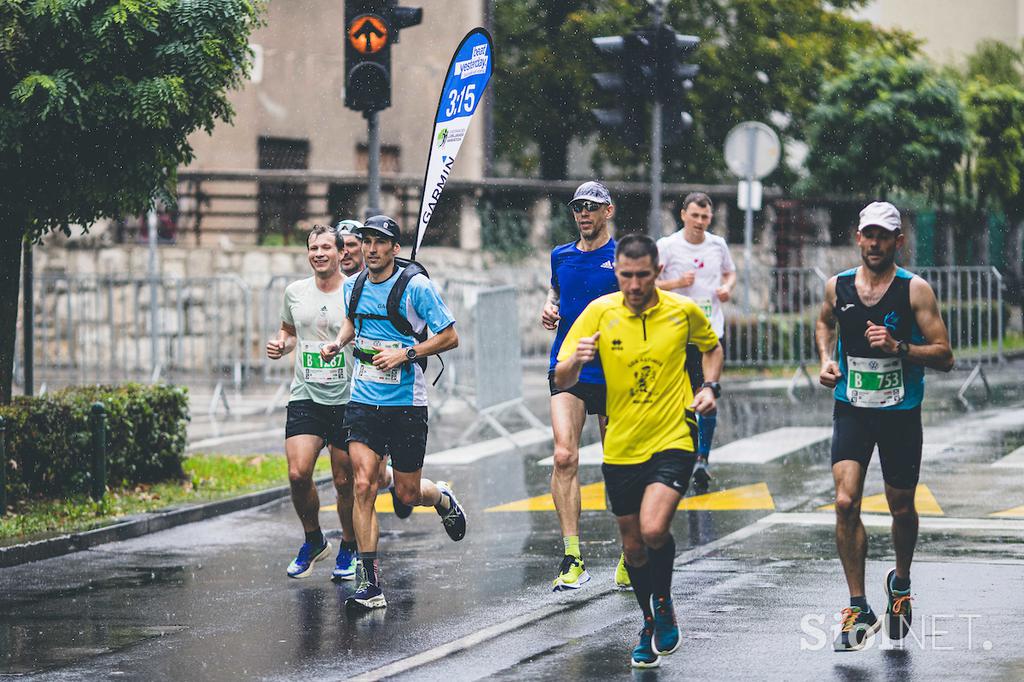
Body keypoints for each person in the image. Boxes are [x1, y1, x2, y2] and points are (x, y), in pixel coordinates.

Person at [554, 233, 724, 668]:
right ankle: (650, 618)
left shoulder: (682, 312)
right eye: (625, 276)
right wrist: (577, 360)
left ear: (657, 273)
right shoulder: (600, 312)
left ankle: (663, 602)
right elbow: (561, 377)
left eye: (642, 276)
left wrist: (709, 387)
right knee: (632, 547)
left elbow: (712, 348)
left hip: (672, 437)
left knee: (652, 529)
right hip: (622, 446)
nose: (632, 285)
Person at [815, 201, 954, 651]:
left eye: (884, 236)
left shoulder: (915, 291)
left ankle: (901, 582)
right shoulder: (838, 286)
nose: (874, 243)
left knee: (901, 506)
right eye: (867, 235)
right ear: (857, 237)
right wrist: (825, 360)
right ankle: (858, 605)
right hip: (852, 406)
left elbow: (945, 355)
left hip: (899, 412)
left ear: (899, 241)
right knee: (844, 499)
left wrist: (900, 347)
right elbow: (823, 323)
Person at [321, 214, 467, 611]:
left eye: (379, 242)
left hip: (406, 403)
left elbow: (450, 336)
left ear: (394, 249)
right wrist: (338, 342)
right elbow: (354, 322)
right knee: (363, 484)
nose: (369, 248)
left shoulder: (416, 287)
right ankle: (371, 585)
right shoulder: (353, 285)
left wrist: (406, 353)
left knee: (405, 491)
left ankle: (440, 497)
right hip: (364, 399)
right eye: (365, 241)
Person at [267, 223, 395, 583]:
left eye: (326, 247)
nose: (319, 254)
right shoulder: (295, 292)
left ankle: (350, 545)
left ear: (342, 253)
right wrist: (281, 345)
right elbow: (289, 332)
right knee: (297, 473)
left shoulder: (356, 291)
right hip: (307, 393)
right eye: (313, 248)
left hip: (348, 397)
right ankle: (313, 539)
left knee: (344, 481)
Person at [541, 181, 625, 592]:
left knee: (619, 464)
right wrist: (549, 305)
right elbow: (557, 290)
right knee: (563, 456)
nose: (583, 215)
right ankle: (573, 556)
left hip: (614, 370)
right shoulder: (560, 255)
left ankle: (631, 549)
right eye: (577, 208)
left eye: (591, 208)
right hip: (568, 366)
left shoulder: (622, 257)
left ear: (608, 211)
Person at [656, 192, 735, 491]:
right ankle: (682, 453)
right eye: (695, 216)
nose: (700, 222)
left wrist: (726, 287)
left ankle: (702, 457)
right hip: (676, 334)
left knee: (706, 395)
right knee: (679, 399)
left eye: (705, 217)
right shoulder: (667, 246)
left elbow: (730, 273)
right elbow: (649, 283)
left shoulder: (718, 245)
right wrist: (677, 283)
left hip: (710, 333)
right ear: (683, 215)